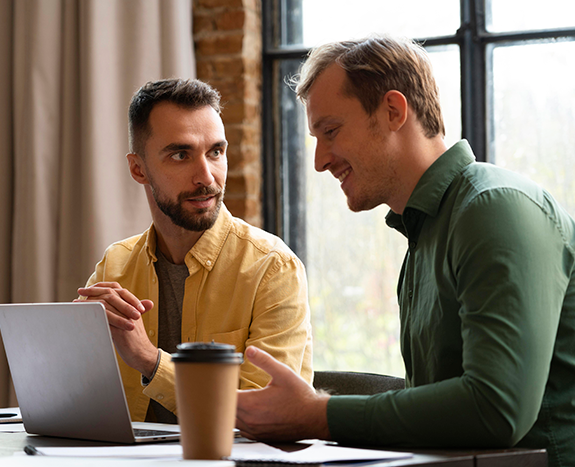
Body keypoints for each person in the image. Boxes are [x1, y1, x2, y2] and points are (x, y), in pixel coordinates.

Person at [236, 36, 575, 467]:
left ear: (394, 111)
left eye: (331, 131)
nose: (319, 160)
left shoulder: (494, 208)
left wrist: (317, 415)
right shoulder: (427, 234)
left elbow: (496, 408)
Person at [77, 78, 313, 424]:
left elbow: (264, 414)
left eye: (216, 152)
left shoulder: (273, 269)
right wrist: (70, 344)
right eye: (181, 154)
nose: (207, 177)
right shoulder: (115, 265)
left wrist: (148, 359)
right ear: (138, 168)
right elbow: (80, 402)